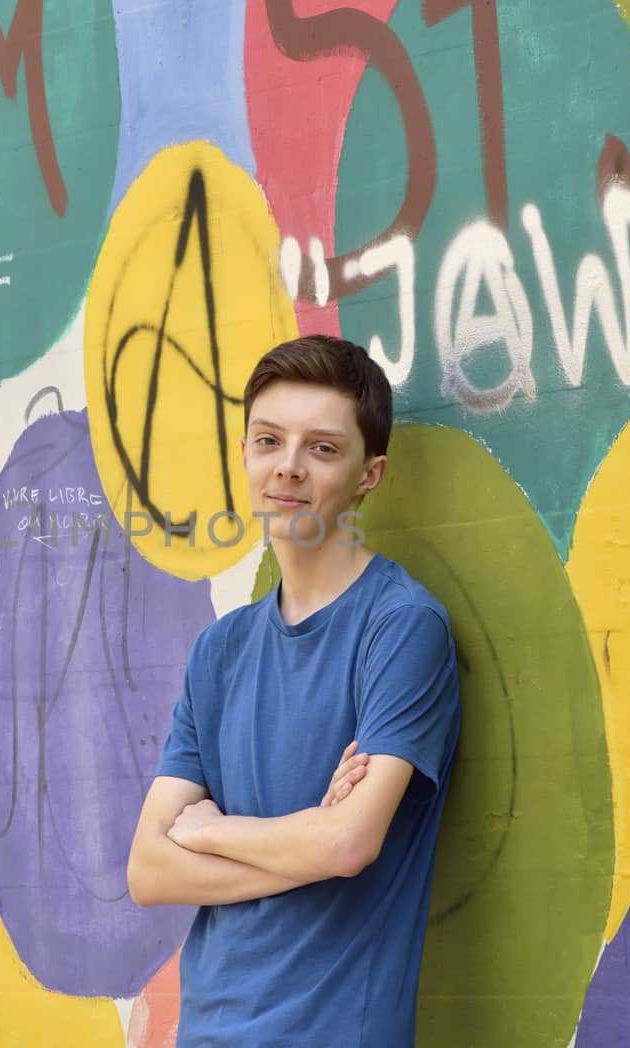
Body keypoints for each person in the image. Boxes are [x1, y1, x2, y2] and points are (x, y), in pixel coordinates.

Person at [126, 334, 462, 1047]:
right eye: (269, 440)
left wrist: (213, 831)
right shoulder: (219, 651)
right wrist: (301, 840)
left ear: (369, 475)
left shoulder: (402, 629)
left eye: (322, 448)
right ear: (245, 452)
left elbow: (346, 846)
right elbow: (149, 869)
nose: (288, 467)